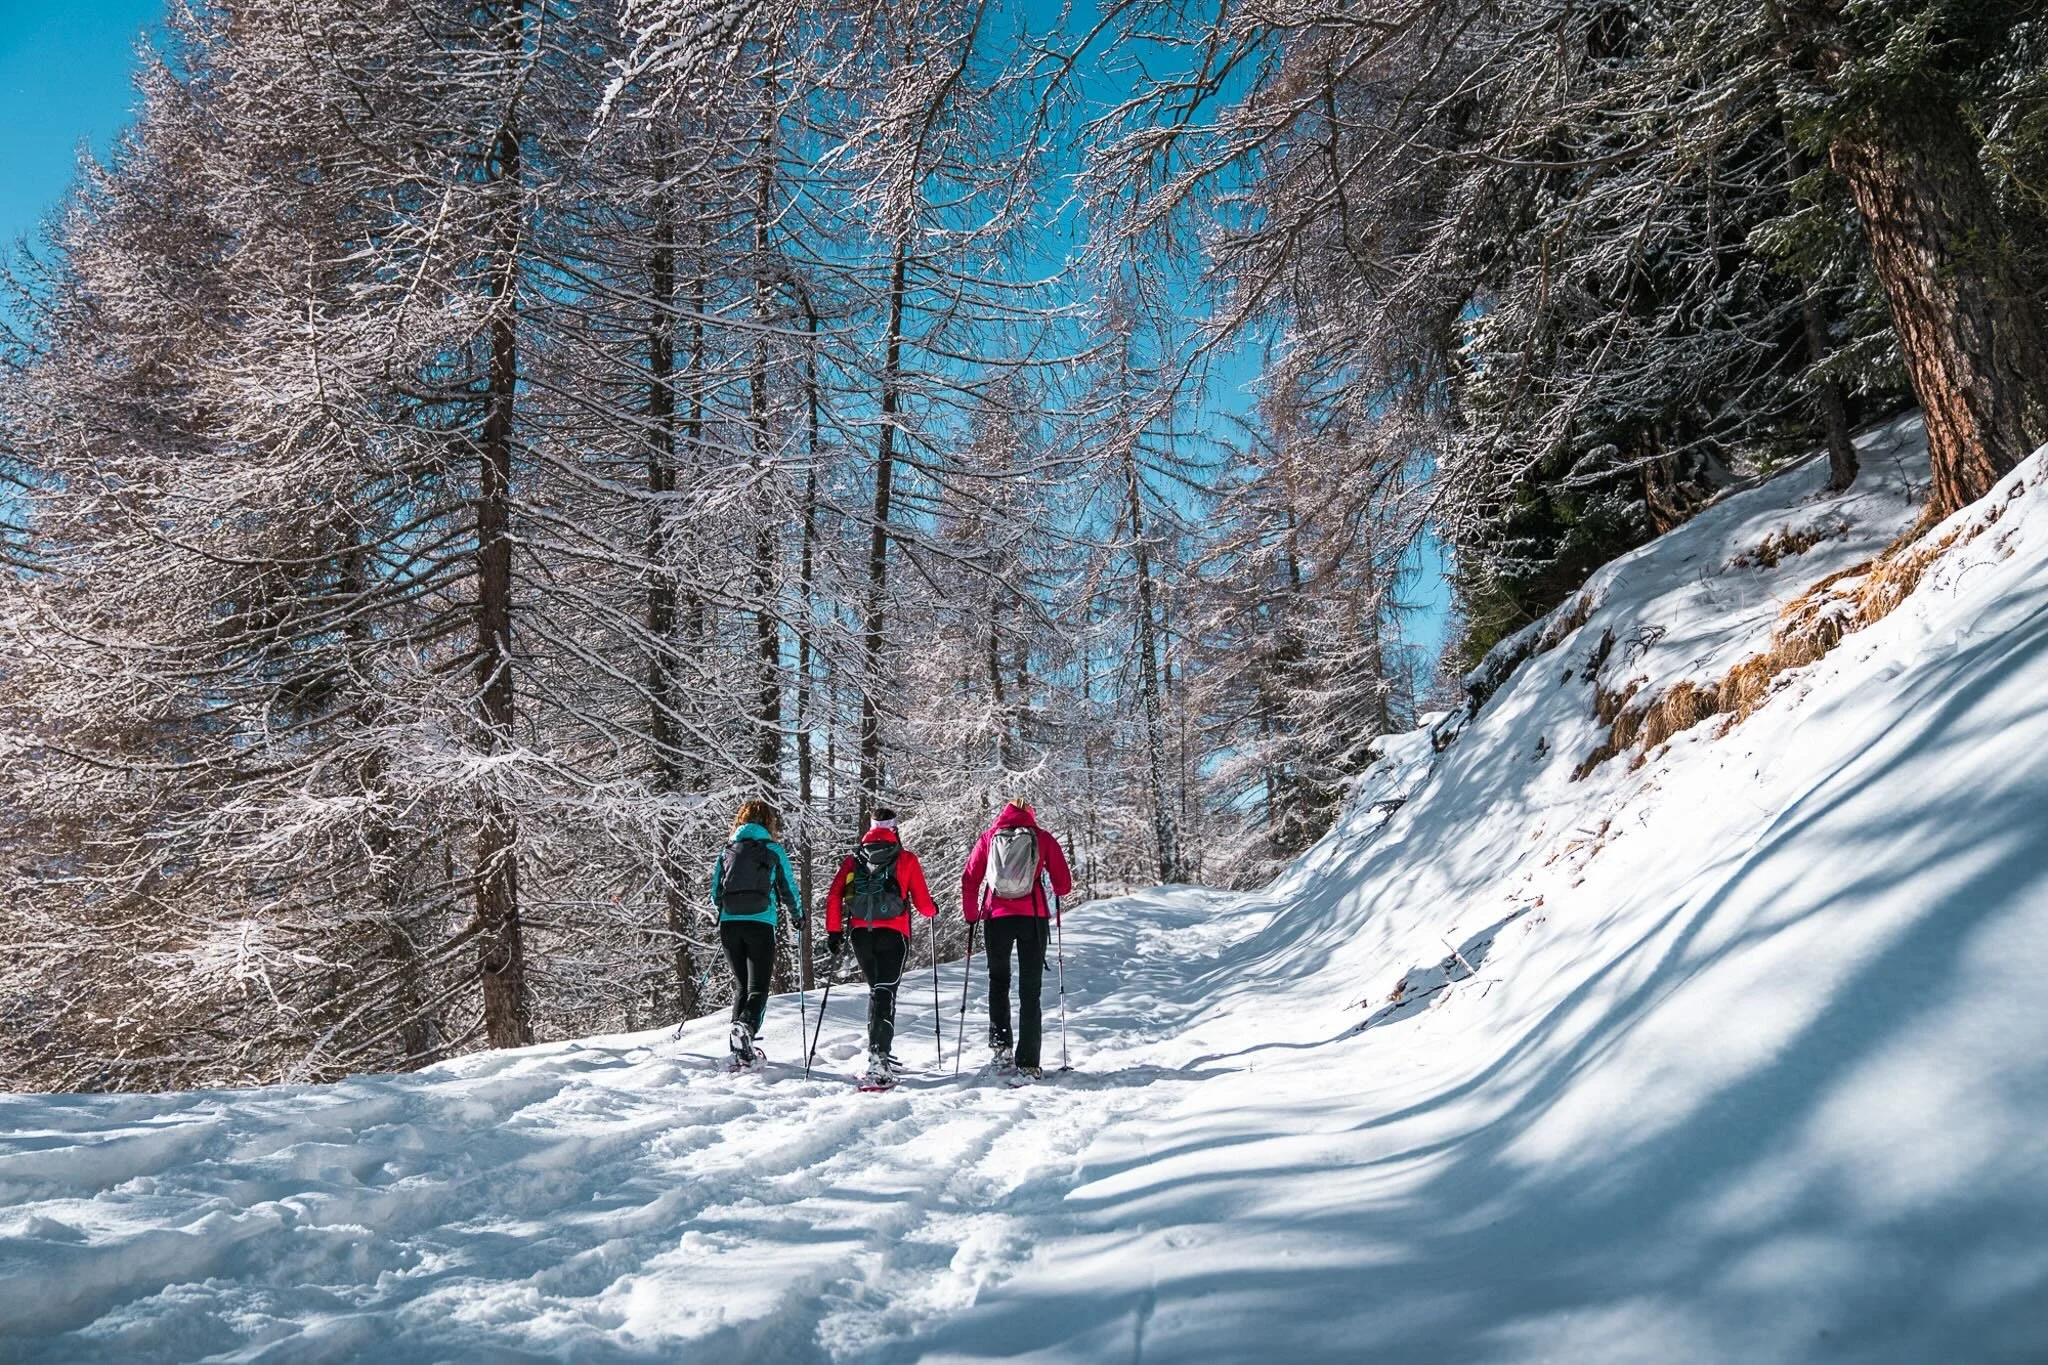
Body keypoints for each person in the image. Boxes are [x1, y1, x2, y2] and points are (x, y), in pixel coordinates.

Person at [960, 797, 1072, 1078]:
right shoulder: (1042, 838)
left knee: (998, 982)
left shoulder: (989, 837)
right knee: (1029, 990)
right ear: (1030, 814)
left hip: (995, 918)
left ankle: (1000, 1049)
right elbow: (1064, 885)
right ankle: (1028, 1062)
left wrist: (972, 914)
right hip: (1032, 919)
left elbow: (970, 878)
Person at [826, 808, 938, 1086]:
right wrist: (933, 909)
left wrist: (834, 932)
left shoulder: (854, 860)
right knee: (885, 992)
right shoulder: (905, 858)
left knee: (877, 991)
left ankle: (879, 1053)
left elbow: (834, 895)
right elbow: (924, 905)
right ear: (894, 829)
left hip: (860, 933)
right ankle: (879, 1057)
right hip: (894, 933)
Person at [712, 798, 802, 1067]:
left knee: (742, 986)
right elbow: (788, 888)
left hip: (729, 925)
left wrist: (726, 912)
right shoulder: (772, 850)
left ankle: (738, 1049)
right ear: (768, 822)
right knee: (758, 987)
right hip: (760, 923)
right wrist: (799, 916)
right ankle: (746, 1028)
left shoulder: (728, 850)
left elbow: (715, 892)